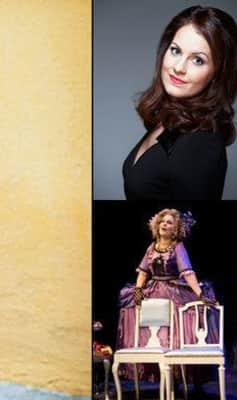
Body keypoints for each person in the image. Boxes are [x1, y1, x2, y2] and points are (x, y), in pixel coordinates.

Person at [122, 6, 237, 200]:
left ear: (217, 73)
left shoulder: (201, 142)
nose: (179, 67)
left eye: (198, 60)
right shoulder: (171, 122)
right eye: (175, 51)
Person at [116, 208, 218, 382]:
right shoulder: (152, 247)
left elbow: (188, 273)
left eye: (169, 222)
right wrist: (138, 290)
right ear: (157, 225)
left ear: (175, 229)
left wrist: (200, 293)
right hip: (154, 289)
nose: (164, 224)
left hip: (173, 290)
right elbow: (143, 272)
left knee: (177, 327)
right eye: (162, 221)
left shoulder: (178, 247)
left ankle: (179, 374)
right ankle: (157, 371)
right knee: (136, 312)